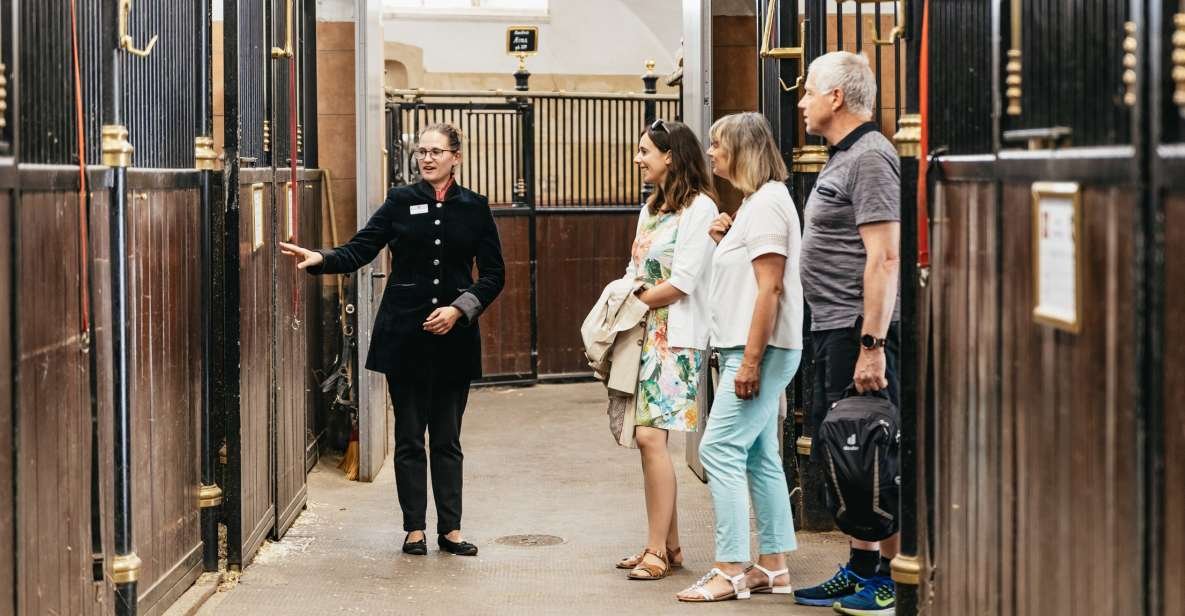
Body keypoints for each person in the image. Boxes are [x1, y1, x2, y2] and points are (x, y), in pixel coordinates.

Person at [279, 123, 504, 557]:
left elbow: (494, 275)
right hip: (405, 338)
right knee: (408, 437)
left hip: (454, 341)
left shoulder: (475, 207)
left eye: (437, 151)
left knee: (446, 438)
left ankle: (451, 530)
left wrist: (460, 308)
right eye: (422, 151)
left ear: (456, 156)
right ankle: (415, 529)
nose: (427, 159)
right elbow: (360, 249)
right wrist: (321, 258)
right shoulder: (401, 201)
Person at [676, 112, 803, 602]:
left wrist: (749, 362)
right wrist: (723, 239)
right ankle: (772, 567)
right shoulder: (754, 203)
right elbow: (746, 277)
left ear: (743, 150)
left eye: (717, 144)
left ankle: (730, 568)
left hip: (760, 352)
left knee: (718, 449)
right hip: (749, 349)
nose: (710, 153)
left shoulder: (768, 204)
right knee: (758, 453)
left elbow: (770, 289)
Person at [791, 51, 902, 615]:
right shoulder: (844, 157)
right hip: (832, 327)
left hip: (859, 332)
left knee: (876, 454)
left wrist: (872, 345)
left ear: (837, 97)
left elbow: (884, 258)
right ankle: (861, 567)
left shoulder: (873, 157)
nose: (802, 99)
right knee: (851, 454)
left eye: (809, 90)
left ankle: (890, 578)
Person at [614, 119, 719, 581]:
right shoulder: (652, 208)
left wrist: (628, 303)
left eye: (645, 151)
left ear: (671, 156)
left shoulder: (700, 208)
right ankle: (667, 545)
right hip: (644, 334)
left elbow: (683, 282)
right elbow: (637, 267)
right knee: (646, 440)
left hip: (674, 337)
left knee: (651, 438)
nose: (638, 159)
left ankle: (657, 549)